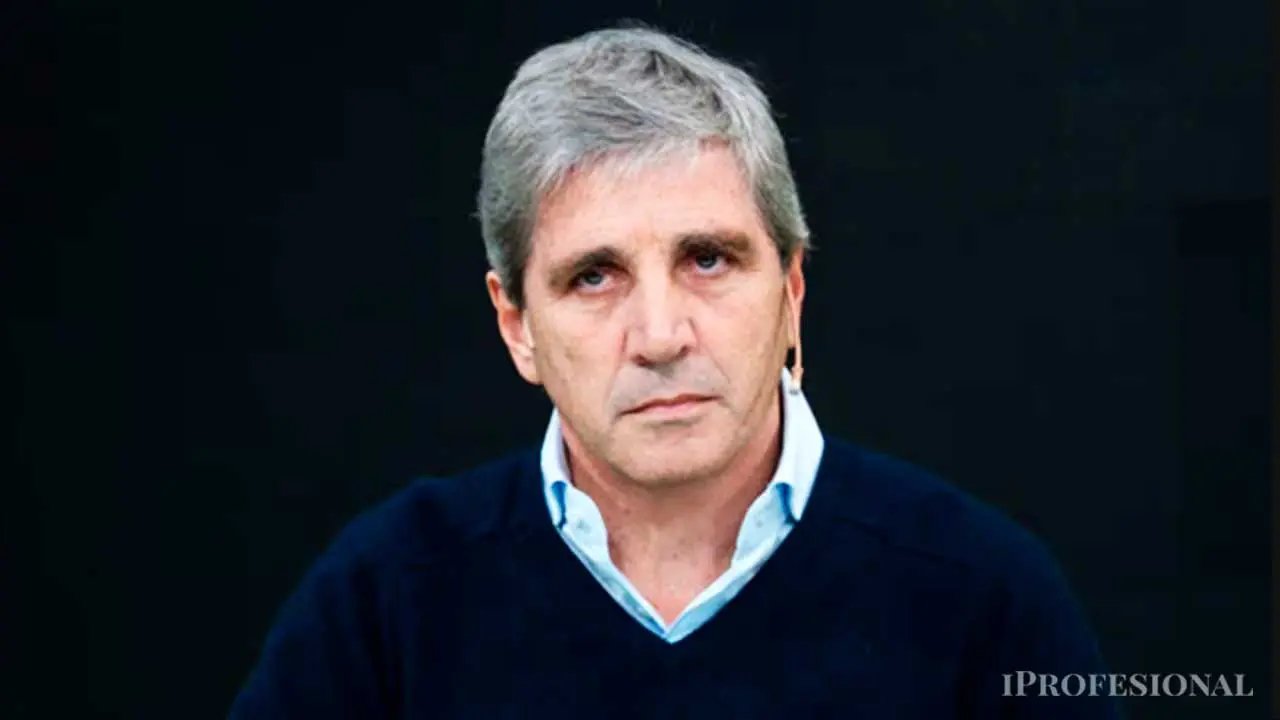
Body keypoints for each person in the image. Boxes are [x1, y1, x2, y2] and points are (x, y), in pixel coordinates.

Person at [230, 25, 1120, 718]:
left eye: (707, 259)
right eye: (594, 276)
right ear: (517, 326)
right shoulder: (387, 600)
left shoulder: (984, 597)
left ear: (792, 292)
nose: (660, 336)